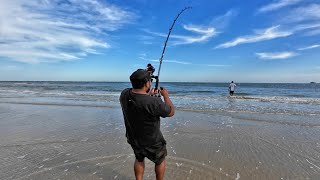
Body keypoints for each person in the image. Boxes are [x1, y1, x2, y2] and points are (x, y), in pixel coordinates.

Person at [119, 69, 175, 180]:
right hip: (152, 141)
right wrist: (165, 96)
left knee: (139, 159)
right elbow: (171, 112)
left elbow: (139, 98)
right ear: (146, 83)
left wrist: (148, 95)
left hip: (133, 138)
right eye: (149, 80)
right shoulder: (153, 102)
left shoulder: (124, 94)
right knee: (160, 161)